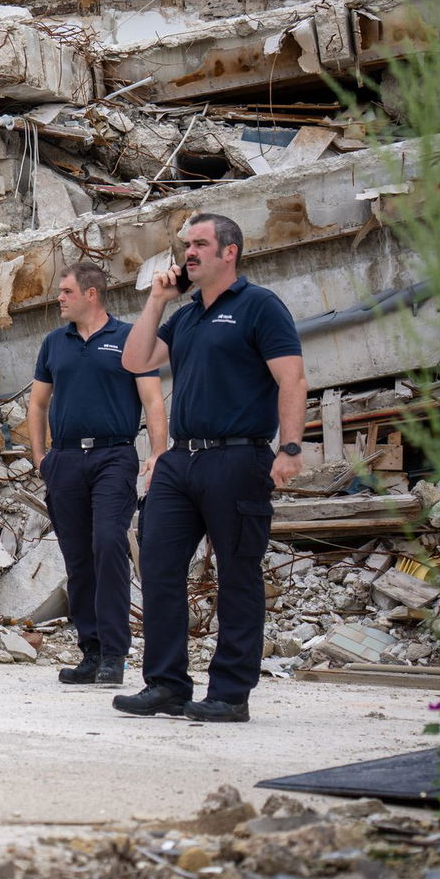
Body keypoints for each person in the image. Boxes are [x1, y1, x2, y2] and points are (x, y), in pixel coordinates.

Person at [116, 213, 306, 723]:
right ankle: (166, 684)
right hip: (182, 459)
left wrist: (289, 448)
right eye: (185, 246)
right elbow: (135, 361)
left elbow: (292, 379)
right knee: (157, 566)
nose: (188, 253)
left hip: (238, 456)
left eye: (200, 244)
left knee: (237, 574)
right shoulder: (188, 315)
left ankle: (229, 694)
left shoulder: (260, 307)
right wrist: (158, 299)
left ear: (230, 252)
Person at [27, 262, 166, 687]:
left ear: (91, 294)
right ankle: (90, 652)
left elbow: (153, 401)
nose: (59, 298)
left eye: (66, 291)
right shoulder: (54, 343)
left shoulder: (128, 339)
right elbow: (37, 404)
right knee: (78, 556)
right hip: (65, 461)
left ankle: (114, 653)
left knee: (108, 543)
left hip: (113, 457)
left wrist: (158, 452)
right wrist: (40, 458)